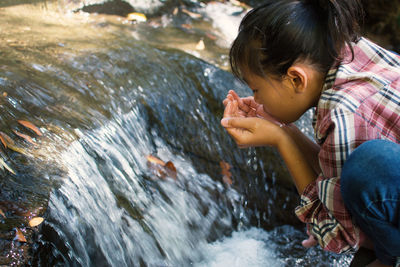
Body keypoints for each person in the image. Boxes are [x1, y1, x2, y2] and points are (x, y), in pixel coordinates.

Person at [220, 0, 400, 266]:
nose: (256, 100)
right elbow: (338, 178)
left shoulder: (343, 115)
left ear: (296, 79)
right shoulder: (352, 55)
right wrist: (285, 129)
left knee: (369, 166)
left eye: (256, 89)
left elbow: (338, 236)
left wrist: (281, 140)